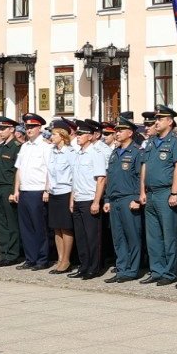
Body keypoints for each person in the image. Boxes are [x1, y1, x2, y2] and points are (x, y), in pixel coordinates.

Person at [140, 104, 177, 286]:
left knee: (169, 235)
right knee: (153, 236)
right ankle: (156, 270)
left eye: (160, 119)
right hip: (150, 193)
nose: (156, 122)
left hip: (166, 192)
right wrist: (141, 190)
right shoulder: (151, 141)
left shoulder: (176, 141)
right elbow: (144, 166)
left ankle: (170, 271)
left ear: (169, 121)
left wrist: (174, 192)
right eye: (156, 119)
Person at [104, 114, 147, 283]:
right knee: (118, 237)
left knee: (132, 236)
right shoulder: (115, 153)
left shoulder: (136, 152)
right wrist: (107, 199)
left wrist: (137, 198)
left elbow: (140, 177)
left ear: (130, 133)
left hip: (129, 198)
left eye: (121, 130)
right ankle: (122, 268)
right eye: (117, 130)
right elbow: (110, 177)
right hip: (114, 199)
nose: (117, 133)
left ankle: (132, 270)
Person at [68, 120, 110, 280]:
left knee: (93, 236)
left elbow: (101, 179)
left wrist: (96, 201)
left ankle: (94, 267)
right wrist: (72, 199)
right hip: (78, 198)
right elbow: (75, 179)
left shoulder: (96, 154)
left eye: (81, 134)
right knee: (81, 236)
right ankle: (83, 265)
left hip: (90, 199)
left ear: (90, 136)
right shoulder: (78, 154)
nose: (77, 137)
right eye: (77, 134)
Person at [13, 113, 53, 271]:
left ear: (39, 128)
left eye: (32, 127)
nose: (28, 130)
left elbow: (50, 170)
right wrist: (16, 189)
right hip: (25, 190)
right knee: (26, 227)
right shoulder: (24, 146)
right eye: (27, 127)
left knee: (40, 227)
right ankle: (30, 258)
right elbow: (19, 169)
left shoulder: (45, 147)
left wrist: (46, 189)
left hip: (38, 191)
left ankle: (42, 259)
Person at [0, 117, 23, 266]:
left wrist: (14, 191)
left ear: (12, 130)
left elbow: (17, 172)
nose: (0, 132)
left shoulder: (16, 147)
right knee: (1, 224)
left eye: (3, 129)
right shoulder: (0, 147)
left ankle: (13, 254)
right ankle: (4, 252)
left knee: (11, 223)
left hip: (8, 188)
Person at [45, 120, 76, 273]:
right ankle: (60, 257)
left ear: (62, 136)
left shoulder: (70, 152)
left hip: (66, 192)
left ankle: (66, 260)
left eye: (54, 134)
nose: (51, 136)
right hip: (54, 192)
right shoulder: (52, 151)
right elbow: (49, 173)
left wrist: (72, 196)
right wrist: (47, 188)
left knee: (66, 228)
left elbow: (75, 175)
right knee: (56, 228)